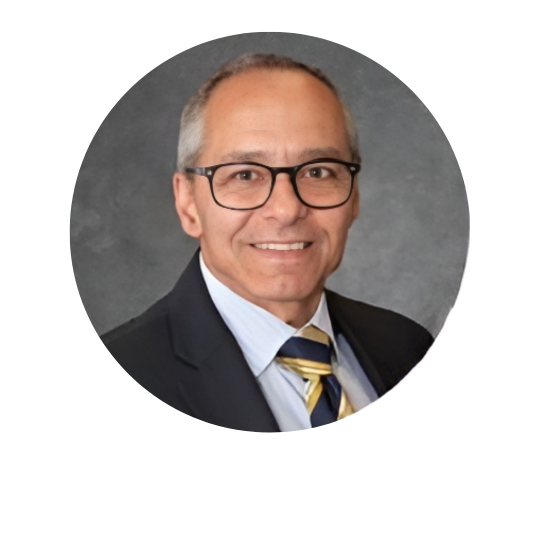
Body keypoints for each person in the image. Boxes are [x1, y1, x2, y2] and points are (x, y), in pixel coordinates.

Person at [102, 54, 433, 432]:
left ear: (354, 196)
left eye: (318, 172)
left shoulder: (408, 348)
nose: (287, 210)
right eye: (245, 175)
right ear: (188, 203)